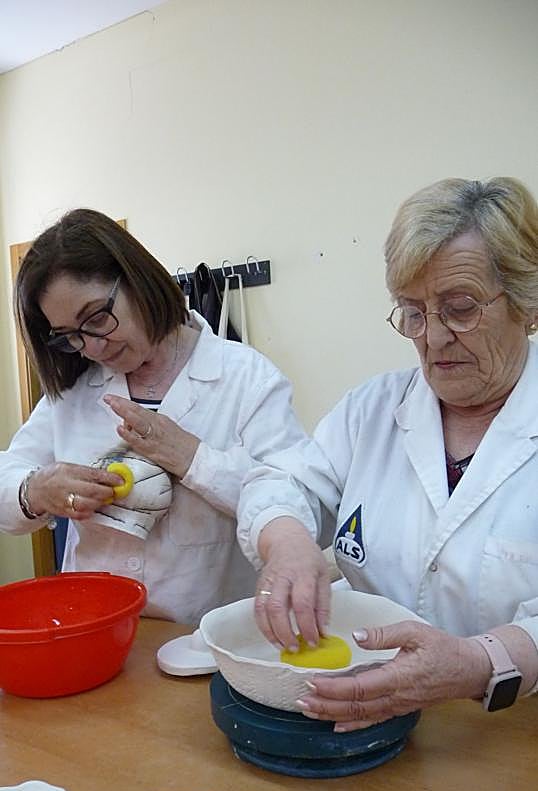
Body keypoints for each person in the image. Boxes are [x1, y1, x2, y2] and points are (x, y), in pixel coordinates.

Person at [237, 176, 538, 729]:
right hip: (371, 720)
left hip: (507, 736)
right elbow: (283, 483)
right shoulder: (372, 410)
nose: (433, 336)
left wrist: (479, 663)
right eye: (413, 312)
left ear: (528, 305)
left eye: (460, 308)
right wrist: (288, 543)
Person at [0, 209, 308, 623]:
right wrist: (35, 489)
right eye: (71, 336)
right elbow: (8, 479)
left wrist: (194, 458)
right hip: (94, 629)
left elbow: (299, 504)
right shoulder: (75, 390)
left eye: (95, 318)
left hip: (202, 638)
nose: (92, 348)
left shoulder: (247, 378)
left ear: (136, 279)